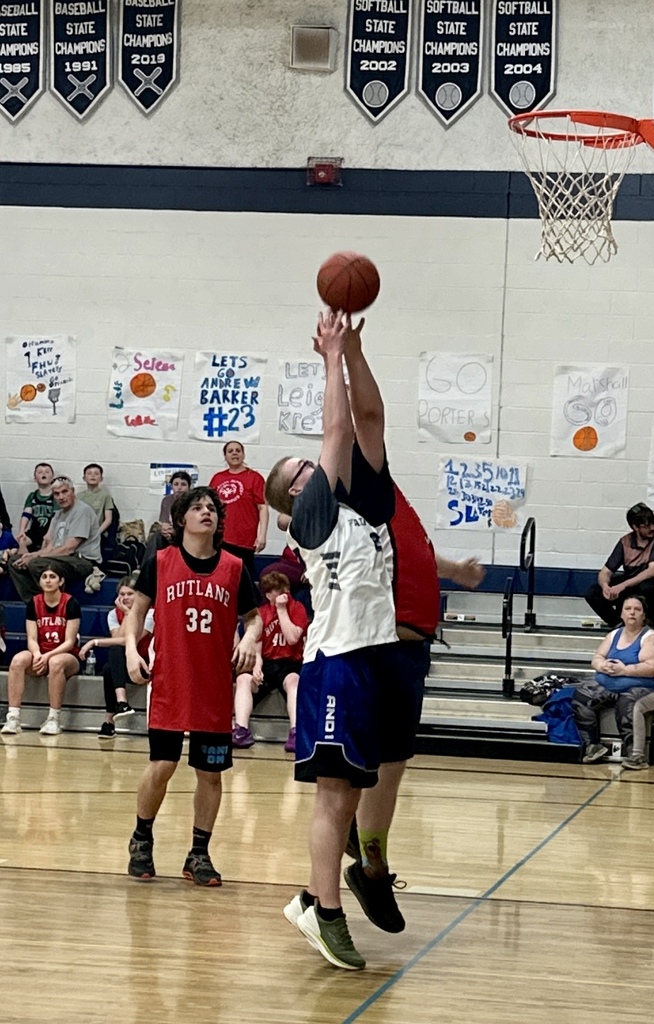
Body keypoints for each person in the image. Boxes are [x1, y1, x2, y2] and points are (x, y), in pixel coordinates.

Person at [265, 310, 397, 971]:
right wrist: (330, 357)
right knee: (333, 794)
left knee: (347, 795)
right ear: (291, 498)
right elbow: (339, 428)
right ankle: (327, 912)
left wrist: (359, 352)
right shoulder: (312, 515)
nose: (311, 468)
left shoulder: (366, 503)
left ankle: (312, 900)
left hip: (370, 660)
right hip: (336, 664)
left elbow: (369, 421)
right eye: (298, 470)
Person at [345, 481, 486, 934]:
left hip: (410, 650)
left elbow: (410, 555)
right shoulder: (347, 493)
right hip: (376, 647)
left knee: (393, 764)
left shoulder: (391, 496)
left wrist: (452, 569)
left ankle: (369, 861)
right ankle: (343, 881)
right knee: (364, 766)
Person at [123, 485, 260, 887]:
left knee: (210, 774)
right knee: (163, 765)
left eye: (213, 508)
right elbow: (136, 614)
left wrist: (251, 637)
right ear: (181, 519)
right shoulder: (160, 561)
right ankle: (141, 838)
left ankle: (198, 853)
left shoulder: (234, 567)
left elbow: (253, 618)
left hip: (214, 688)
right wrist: (132, 650)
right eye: (198, 507)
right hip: (169, 682)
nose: (207, 512)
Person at [572, 594, 654, 770]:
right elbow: (597, 657)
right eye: (628, 609)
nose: (632, 613)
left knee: (629, 702)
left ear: (644, 615)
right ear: (621, 614)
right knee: (582, 695)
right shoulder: (614, 634)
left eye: (637, 610)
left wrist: (625, 670)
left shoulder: (650, 638)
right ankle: (593, 746)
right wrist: (603, 666)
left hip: (648, 689)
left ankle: (637, 755)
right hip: (611, 686)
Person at [1, 564, 81, 736]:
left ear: (61, 581)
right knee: (17, 660)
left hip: (67, 656)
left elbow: (69, 641)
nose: (48, 580)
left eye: (52, 576)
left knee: (55, 662)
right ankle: (13, 717)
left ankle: (53, 718)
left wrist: (47, 656)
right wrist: (37, 655)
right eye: (44, 577)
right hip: (41, 653)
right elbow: (31, 638)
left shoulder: (71, 603)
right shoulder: (34, 603)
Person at [233, 570, 308, 751]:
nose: (284, 593)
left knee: (294, 682)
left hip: (290, 663)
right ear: (268, 595)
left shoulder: (297, 608)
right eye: (277, 590)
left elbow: (292, 638)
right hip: (267, 662)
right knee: (243, 679)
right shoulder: (263, 613)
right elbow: (257, 646)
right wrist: (257, 667)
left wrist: (282, 610)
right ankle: (241, 730)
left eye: (285, 589)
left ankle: (296, 732)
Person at [78, 574, 155, 739]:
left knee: (113, 653)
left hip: (147, 664)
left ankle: (118, 708)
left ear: (139, 596)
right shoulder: (113, 614)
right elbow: (119, 638)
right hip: (127, 666)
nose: (125, 597)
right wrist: (127, 615)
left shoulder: (150, 613)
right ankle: (113, 716)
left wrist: (95, 642)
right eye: (122, 594)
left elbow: (131, 639)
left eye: (130, 594)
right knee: (108, 667)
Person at [7, 477, 102, 602]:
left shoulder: (82, 511)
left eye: (64, 492)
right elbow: (51, 547)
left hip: (82, 560)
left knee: (37, 564)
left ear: (72, 491)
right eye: (56, 494)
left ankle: (54, 602)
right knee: (16, 560)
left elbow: (69, 548)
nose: (61, 497)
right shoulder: (58, 514)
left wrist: (35, 558)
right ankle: (35, 601)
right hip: (62, 557)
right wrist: (30, 554)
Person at [584, 502, 654, 629]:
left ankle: (648, 626)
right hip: (633, 583)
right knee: (593, 592)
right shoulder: (625, 542)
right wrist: (606, 587)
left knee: (646, 587)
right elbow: (605, 572)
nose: (652, 528)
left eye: (653, 523)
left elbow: (653, 571)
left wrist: (622, 586)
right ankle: (618, 624)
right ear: (635, 527)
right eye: (647, 525)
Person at [209, 441, 268, 570]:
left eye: (238, 450)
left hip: (244, 538)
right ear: (225, 456)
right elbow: (209, 506)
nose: (234, 453)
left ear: (243, 454)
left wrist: (262, 535)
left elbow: (262, 507)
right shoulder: (217, 478)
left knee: (242, 578)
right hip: (220, 537)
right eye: (230, 451)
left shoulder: (254, 477)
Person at [78, 463, 115, 536]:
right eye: (89, 473)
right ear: (84, 478)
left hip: (98, 534)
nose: (93, 475)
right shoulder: (78, 497)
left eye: (96, 473)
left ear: (101, 478)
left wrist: (96, 533)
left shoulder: (105, 495)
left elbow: (108, 519)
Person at [158, 471, 192, 540]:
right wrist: (166, 530)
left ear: (189, 487)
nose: (179, 487)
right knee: (157, 537)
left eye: (183, 484)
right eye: (176, 484)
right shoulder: (167, 501)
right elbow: (165, 523)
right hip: (170, 534)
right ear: (172, 487)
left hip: (187, 534)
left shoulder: (193, 502)